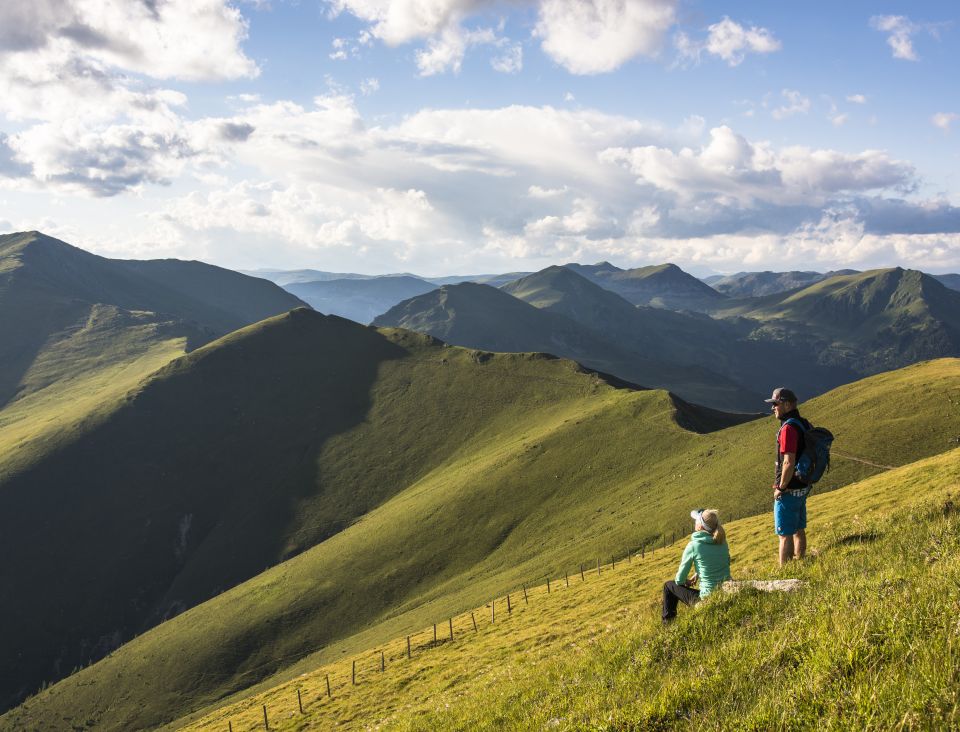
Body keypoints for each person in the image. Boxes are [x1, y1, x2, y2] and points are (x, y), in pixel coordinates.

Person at [766, 387, 812, 566]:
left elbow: (788, 462)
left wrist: (781, 488)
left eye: (775, 404)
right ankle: (801, 562)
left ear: (786, 404)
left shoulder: (788, 429)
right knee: (799, 529)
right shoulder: (803, 423)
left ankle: (785, 572)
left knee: (784, 535)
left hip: (789, 489)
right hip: (803, 486)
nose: (773, 408)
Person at [662, 508, 731, 624]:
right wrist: (698, 573)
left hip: (707, 597)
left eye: (696, 520)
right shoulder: (722, 542)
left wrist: (687, 582)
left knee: (669, 586)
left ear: (701, 526)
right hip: (725, 591)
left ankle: (668, 625)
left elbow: (679, 580)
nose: (695, 522)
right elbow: (721, 563)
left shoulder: (694, 545)